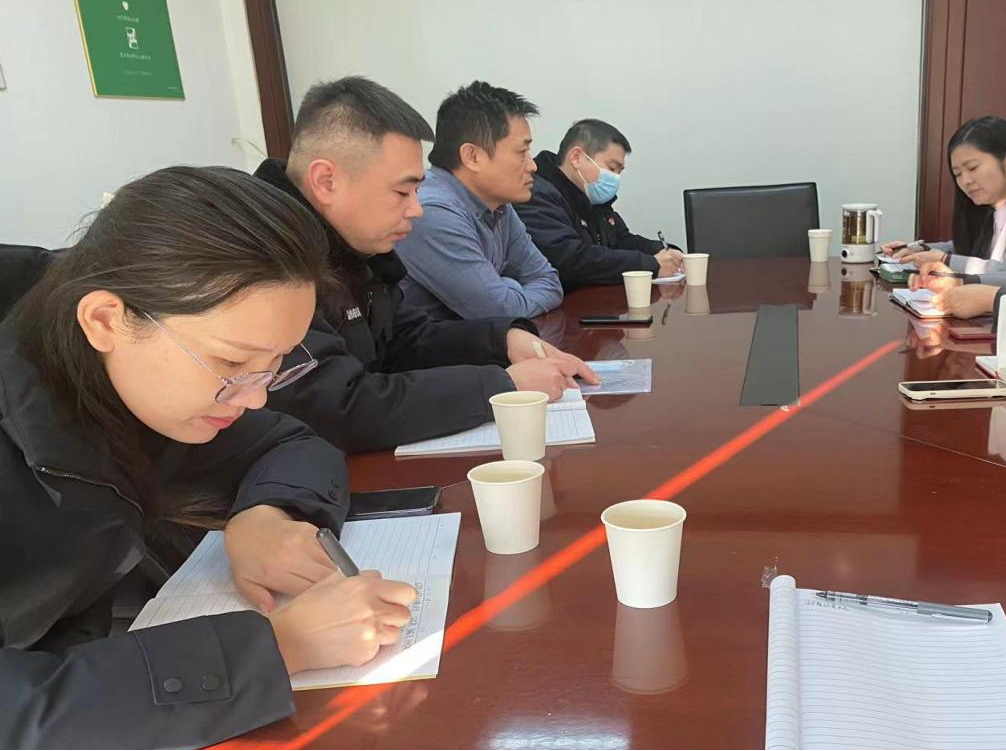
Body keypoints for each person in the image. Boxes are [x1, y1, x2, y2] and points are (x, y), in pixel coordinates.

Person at [0, 166, 416, 748]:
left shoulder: (128, 383)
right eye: (231, 364)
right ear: (106, 321)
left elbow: (288, 441)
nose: (254, 398)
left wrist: (266, 514)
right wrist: (276, 649)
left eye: (274, 365)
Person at [256, 77, 595, 452]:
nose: (417, 210)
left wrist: (503, 340)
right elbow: (338, 407)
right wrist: (503, 386)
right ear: (325, 181)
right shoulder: (264, 257)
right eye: (402, 192)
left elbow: (405, 339)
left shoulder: (353, 242)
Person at [395, 81, 565, 321]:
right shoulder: (431, 212)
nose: (532, 165)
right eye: (521, 152)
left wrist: (506, 289)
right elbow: (499, 312)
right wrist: (509, 287)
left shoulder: (499, 205)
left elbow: (549, 280)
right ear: (472, 156)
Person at [887, 117, 1006, 318]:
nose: (966, 181)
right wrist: (921, 249)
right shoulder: (992, 210)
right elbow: (965, 247)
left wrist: (955, 272)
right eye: (958, 174)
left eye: (972, 168)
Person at [514, 118, 684, 290]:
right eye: (612, 168)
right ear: (576, 158)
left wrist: (664, 251)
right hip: (563, 301)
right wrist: (650, 265)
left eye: (619, 172)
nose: (615, 178)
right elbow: (571, 260)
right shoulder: (534, 194)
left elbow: (621, 240)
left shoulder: (592, 194)